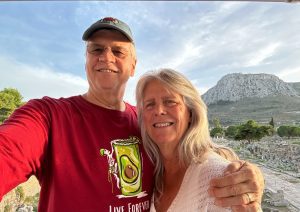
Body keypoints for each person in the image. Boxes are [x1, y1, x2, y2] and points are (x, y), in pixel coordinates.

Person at [0, 17, 263, 211]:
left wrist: (249, 177)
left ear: (133, 65)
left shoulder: (150, 124)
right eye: (97, 49)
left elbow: (197, 155)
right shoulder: (48, 115)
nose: (106, 57)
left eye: (118, 51)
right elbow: (8, 150)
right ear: (86, 59)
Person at [136, 68, 262, 212]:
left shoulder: (219, 178)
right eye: (150, 104)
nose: (159, 110)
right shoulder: (153, 172)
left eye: (170, 102)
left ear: (191, 113)